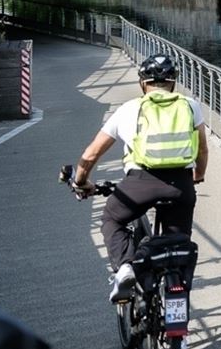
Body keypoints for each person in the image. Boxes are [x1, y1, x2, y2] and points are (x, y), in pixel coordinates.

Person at [70, 53, 208, 304]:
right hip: (181, 185)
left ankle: (125, 268)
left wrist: (80, 181)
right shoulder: (190, 106)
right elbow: (202, 150)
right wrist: (198, 175)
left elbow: (90, 155)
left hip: (140, 183)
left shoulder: (129, 109)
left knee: (112, 218)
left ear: (143, 83)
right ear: (173, 82)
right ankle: (177, 308)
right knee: (177, 242)